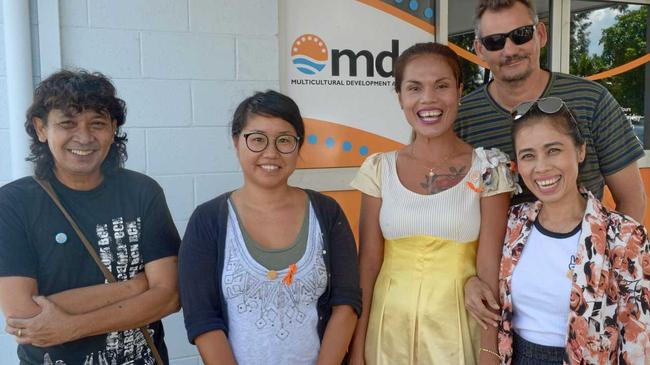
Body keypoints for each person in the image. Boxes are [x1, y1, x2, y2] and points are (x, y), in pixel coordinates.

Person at [347, 42, 517, 365]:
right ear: (399, 97)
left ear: (460, 91)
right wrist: (357, 350)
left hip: (458, 333)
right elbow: (368, 265)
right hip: (387, 333)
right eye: (414, 88)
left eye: (442, 86)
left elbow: (489, 267)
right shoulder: (377, 169)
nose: (428, 99)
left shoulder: (490, 168)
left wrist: (489, 352)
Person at [0, 70, 181, 364]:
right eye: (67, 123)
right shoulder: (13, 203)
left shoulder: (142, 192)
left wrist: (69, 326)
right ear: (41, 128)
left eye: (97, 123)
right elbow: (25, 316)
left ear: (113, 129)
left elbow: (169, 296)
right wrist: (133, 287)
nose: (84, 137)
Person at [178, 90, 361, 365]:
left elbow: (346, 304)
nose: (271, 152)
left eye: (284, 140)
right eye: (257, 139)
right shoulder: (207, 220)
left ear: (299, 146)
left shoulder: (327, 212)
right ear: (236, 141)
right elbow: (203, 319)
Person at [469, 97, 650, 364]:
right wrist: (469, 283)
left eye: (553, 150)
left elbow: (638, 340)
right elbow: (482, 275)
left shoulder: (625, 236)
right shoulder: (512, 225)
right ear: (517, 165)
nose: (541, 167)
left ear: (580, 151)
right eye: (528, 155)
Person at [455, 0, 646, 222]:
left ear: (541, 34)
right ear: (480, 49)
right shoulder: (462, 118)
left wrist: (613, 253)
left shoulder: (592, 101)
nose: (509, 50)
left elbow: (632, 198)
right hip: (494, 256)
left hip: (586, 252)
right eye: (494, 41)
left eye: (521, 34)